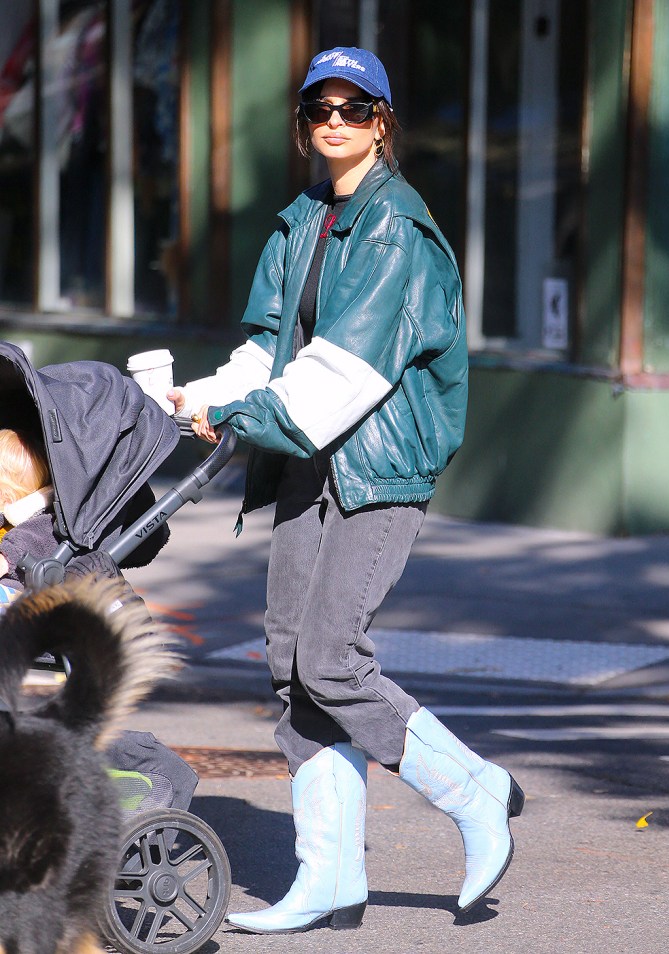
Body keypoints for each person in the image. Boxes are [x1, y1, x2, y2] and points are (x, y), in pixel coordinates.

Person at [169, 46, 524, 933]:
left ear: (383, 122)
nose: (335, 120)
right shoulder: (302, 221)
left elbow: (343, 374)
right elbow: (271, 353)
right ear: (303, 124)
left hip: (377, 467)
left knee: (331, 655)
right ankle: (330, 877)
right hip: (306, 464)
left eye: (355, 107)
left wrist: (246, 414)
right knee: (293, 669)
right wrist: (200, 397)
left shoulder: (396, 228)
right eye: (320, 108)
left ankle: (475, 791)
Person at [0, 427, 55, 597]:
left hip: (12, 592)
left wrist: (6, 557)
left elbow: (32, 539)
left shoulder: (37, 522)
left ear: (7, 496)